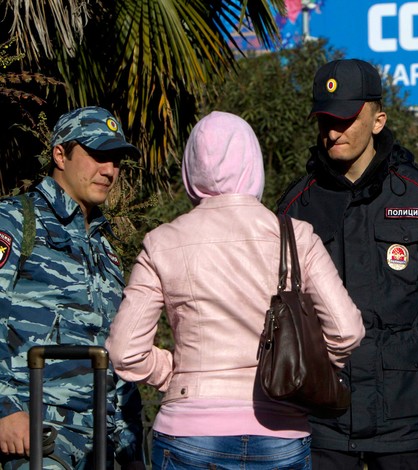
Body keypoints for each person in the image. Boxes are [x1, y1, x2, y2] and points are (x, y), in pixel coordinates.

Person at [105, 111, 365, 470]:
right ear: (252, 163)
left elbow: (124, 352)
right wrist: (304, 367)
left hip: (189, 432)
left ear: (190, 169)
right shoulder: (296, 236)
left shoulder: (162, 242)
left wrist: (174, 371)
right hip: (281, 433)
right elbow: (347, 331)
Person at [277, 58, 418, 470]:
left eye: (347, 119)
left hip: (408, 414)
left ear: (378, 119)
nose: (334, 132)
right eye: (325, 120)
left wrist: (415, 354)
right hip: (324, 417)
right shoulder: (296, 205)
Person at [0, 106, 144, 469]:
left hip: (103, 446)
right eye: (97, 155)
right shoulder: (15, 222)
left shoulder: (106, 250)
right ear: (60, 155)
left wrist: (133, 448)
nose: (109, 170)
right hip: (39, 440)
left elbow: (118, 352)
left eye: (115, 160)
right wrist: (4, 411)